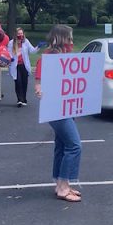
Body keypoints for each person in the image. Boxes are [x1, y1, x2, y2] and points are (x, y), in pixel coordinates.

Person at [34, 25, 82, 202]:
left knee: (62, 146)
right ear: (62, 38)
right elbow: (38, 82)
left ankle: (61, 184)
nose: (72, 41)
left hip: (66, 107)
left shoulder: (65, 57)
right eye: (69, 37)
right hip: (56, 108)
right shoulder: (48, 58)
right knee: (74, 146)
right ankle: (63, 188)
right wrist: (39, 90)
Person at [7, 28, 39, 107]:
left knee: (24, 82)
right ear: (16, 34)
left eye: (21, 33)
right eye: (19, 34)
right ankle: (19, 99)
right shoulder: (11, 43)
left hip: (24, 65)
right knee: (18, 82)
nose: (20, 35)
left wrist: (38, 46)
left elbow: (32, 51)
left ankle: (24, 99)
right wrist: (11, 58)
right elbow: (9, 53)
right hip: (15, 65)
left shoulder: (26, 42)